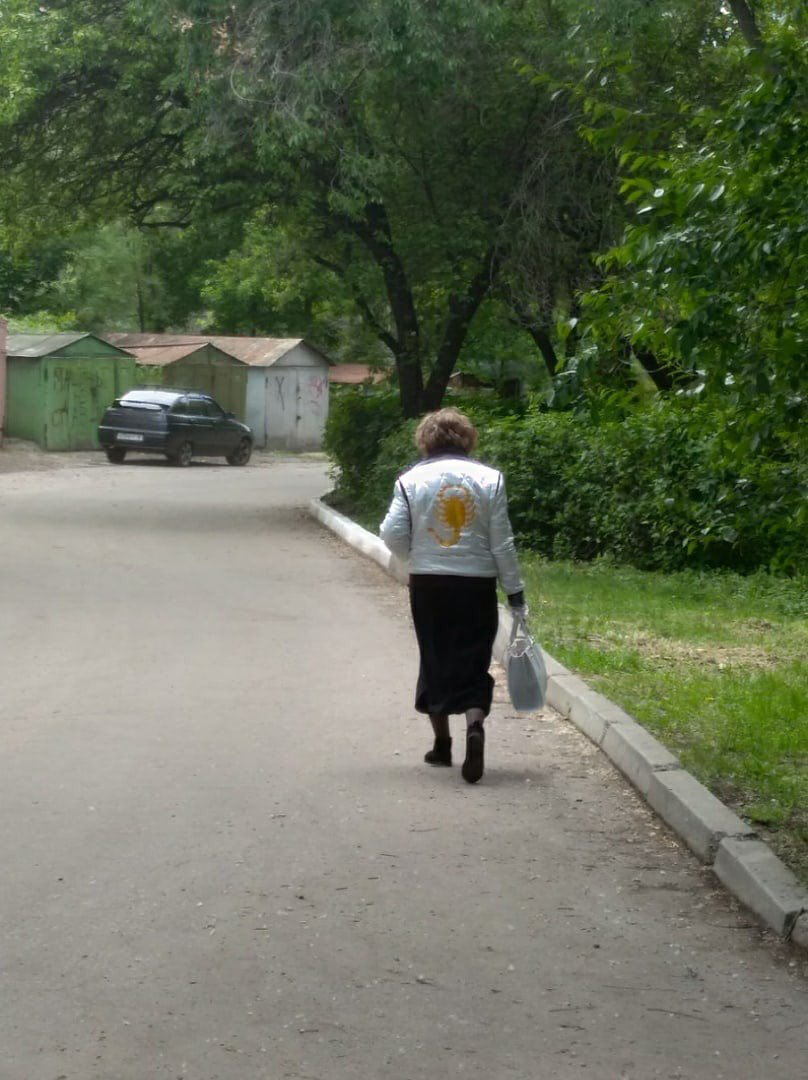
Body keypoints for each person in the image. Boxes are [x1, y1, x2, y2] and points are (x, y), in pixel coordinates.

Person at [380, 407, 526, 784]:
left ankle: (442, 745)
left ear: (426, 439)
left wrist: (415, 557)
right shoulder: (491, 479)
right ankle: (474, 726)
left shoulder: (410, 480)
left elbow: (392, 533)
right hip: (476, 584)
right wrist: (514, 591)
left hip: (429, 583)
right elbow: (502, 542)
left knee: (435, 656)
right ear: (467, 438)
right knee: (474, 659)